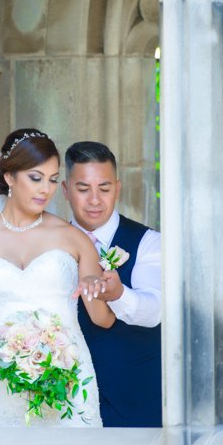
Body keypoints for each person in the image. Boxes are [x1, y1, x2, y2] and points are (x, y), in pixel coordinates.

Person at [0, 128, 115, 427]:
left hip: (70, 381)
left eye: (52, 179)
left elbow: (102, 319)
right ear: (9, 177)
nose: (45, 190)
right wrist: (6, 368)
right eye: (36, 178)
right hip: (3, 384)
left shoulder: (74, 238)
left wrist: (104, 288)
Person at [63, 141, 162, 427]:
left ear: (117, 189)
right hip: (65, 406)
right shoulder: (49, 247)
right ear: (66, 190)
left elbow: (154, 310)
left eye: (104, 189)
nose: (94, 200)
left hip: (137, 405)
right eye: (83, 189)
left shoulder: (149, 242)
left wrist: (119, 294)